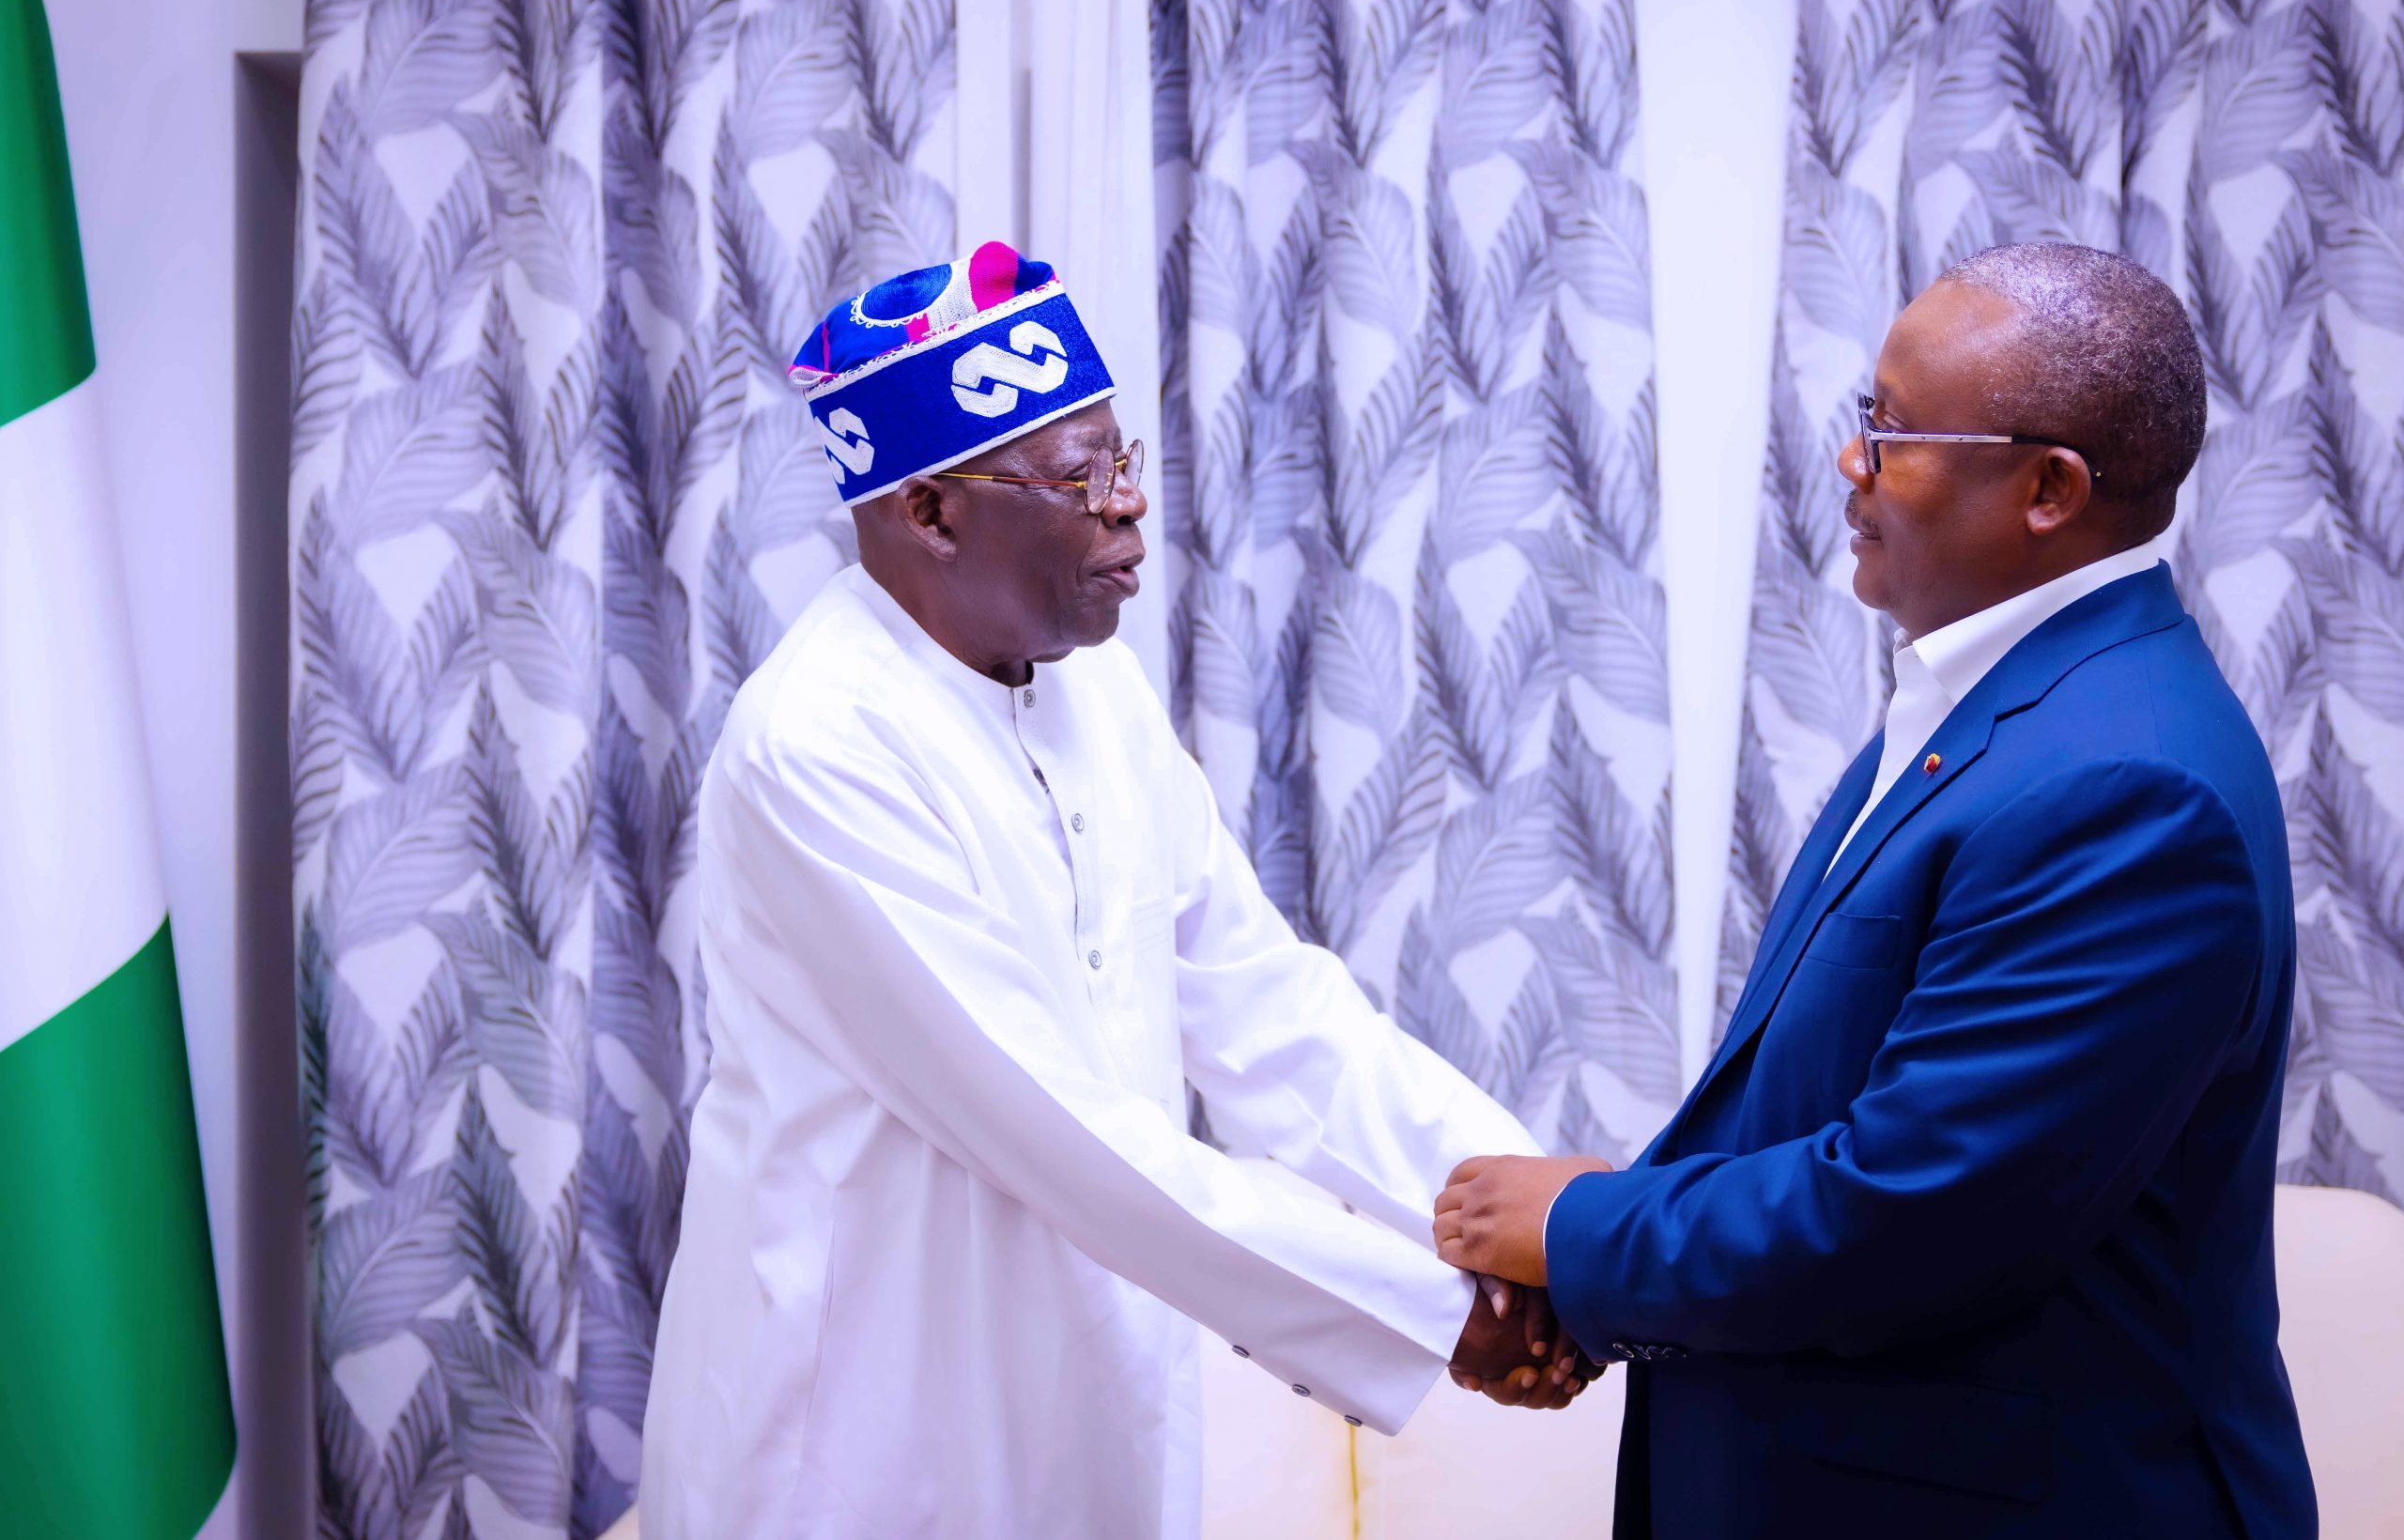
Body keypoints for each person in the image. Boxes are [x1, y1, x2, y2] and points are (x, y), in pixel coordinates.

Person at [640, 243, 1580, 1540]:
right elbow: (1062, 1132)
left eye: (1122, 460)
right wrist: (1444, 1315)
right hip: (860, 1448)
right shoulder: (817, 746)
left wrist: (1545, 1218)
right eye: (1082, 477)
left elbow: (1269, 1008)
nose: (1131, 505)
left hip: (1092, 1422)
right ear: (930, 511)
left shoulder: (1099, 694)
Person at [1432, 244, 2317, 1536]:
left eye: (1895, 433)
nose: (1853, 461)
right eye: (1867, 416)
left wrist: (1577, 1232)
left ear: (2050, 488)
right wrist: (1585, 1292)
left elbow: (1915, 1211)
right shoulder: (1994, 705)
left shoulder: (2129, 786)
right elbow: (1799, 1108)